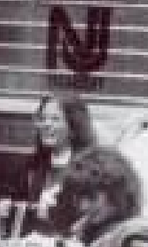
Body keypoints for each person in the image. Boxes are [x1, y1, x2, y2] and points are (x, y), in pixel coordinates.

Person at [19, 93, 96, 230]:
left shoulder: (89, 168)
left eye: (55, 119)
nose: (46, 125)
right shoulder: (31, 165)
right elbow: (10, 199)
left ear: (73, 126)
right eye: (42, 119)